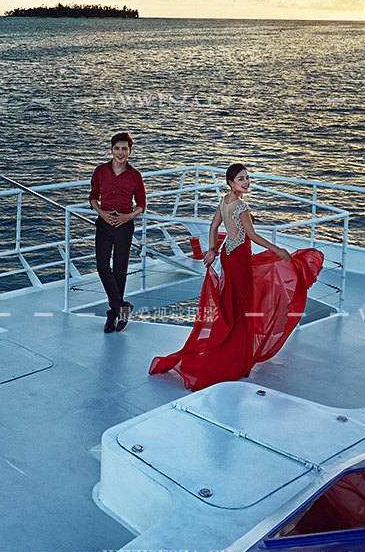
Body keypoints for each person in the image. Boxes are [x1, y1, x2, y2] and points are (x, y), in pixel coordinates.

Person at [150, 162, 323, 390]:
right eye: (241, 179)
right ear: (231, 183)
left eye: (247, 178)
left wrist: (212, 250)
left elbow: (213, 228)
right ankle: (239, 359)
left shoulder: (225, 201)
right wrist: (278, 250)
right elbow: (252, 235)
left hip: (228, 257)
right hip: (239, 259)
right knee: (243, 307)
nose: (246, 182)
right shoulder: (241, 206)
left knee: (236, 305)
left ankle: (238, 354)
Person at [89, 132, 146, 333]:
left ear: (129, 151)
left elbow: (141, 205)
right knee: (102, 266)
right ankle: (122, 308)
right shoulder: (100, 171)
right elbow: (93, 197)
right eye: (117, 148)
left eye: (124, 148)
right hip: (104, 224)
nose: (120, 152)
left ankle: (114, 315)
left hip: (124, 225)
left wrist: (127, 217)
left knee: (120, 269)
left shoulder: (135, 176)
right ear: (111, 150)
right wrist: (102, 213)